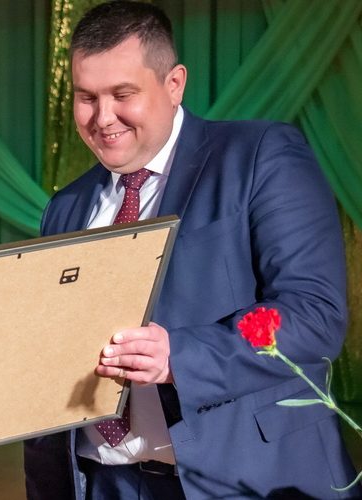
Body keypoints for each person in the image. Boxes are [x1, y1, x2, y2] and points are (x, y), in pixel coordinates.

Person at [23, 1, 360, 499]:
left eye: (122, 94)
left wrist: (178, 357)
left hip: (240, 481)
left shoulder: (260, 155)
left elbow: (315, 314)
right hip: (103, 481)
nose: (102, 117)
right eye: (86, 97)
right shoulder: (65, 207)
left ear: (174, 84)